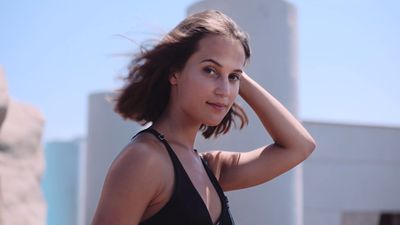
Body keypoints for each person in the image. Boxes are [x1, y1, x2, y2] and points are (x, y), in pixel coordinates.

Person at [91, 10, 316, 225]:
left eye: (233, 77)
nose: (224, 90)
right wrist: (230, 67)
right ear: (174, 73)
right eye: (210, 70)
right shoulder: (144, 159)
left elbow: (299, 146)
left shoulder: (211, 167)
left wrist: (236, 71)